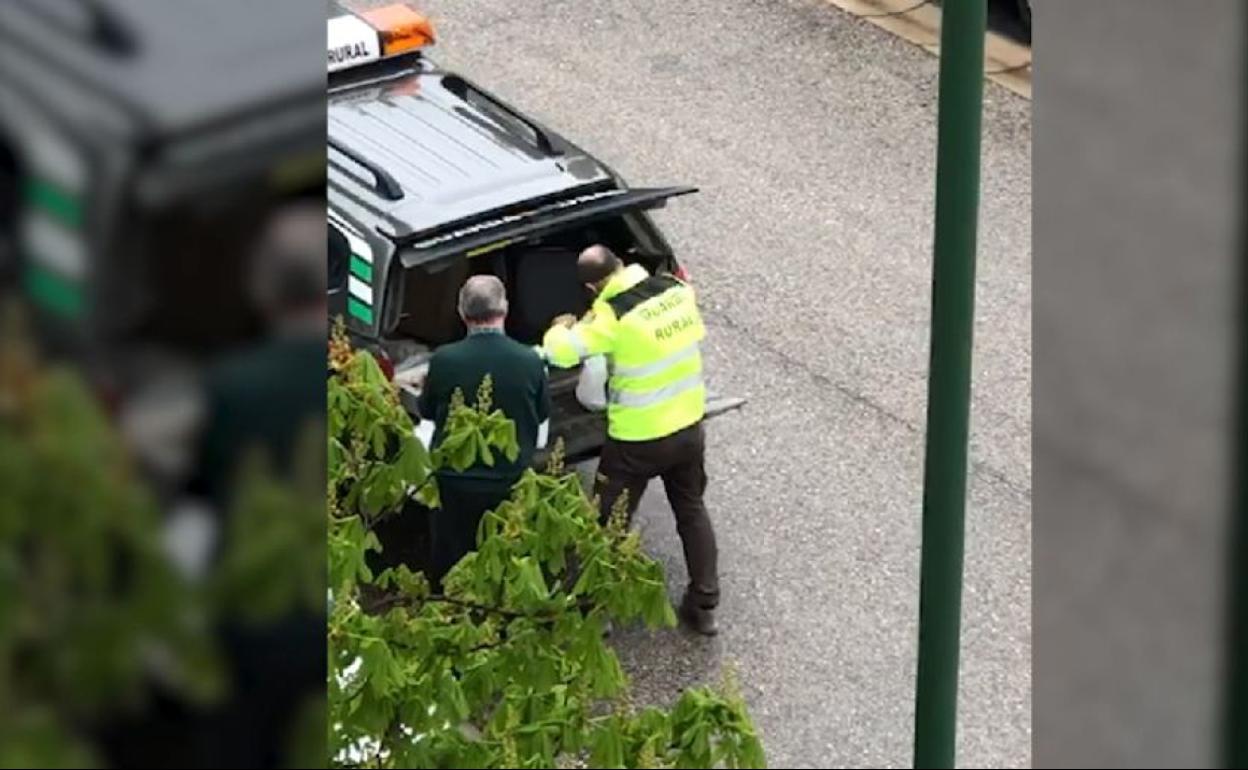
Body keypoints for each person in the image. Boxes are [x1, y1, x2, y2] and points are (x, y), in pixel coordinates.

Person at [542, 245, 719, 636]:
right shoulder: (675, 289)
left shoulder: (612, 317)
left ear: (592, 286)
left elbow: (562, 353)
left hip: (638, 439)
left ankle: (595, 610)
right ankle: (704, 604)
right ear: (621, 263)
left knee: (607, 524)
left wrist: (561, 325)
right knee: (691, 510)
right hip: (689, 425)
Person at [418, 274, 550, 587]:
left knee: (450, 553)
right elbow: (542, 414)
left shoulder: (444, 359)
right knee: (505, 550)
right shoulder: (530, 361)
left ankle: (448, 607)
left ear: (461, 312)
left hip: (455, 477)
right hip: (510, 476)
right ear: (505, 308)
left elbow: (426, 411)